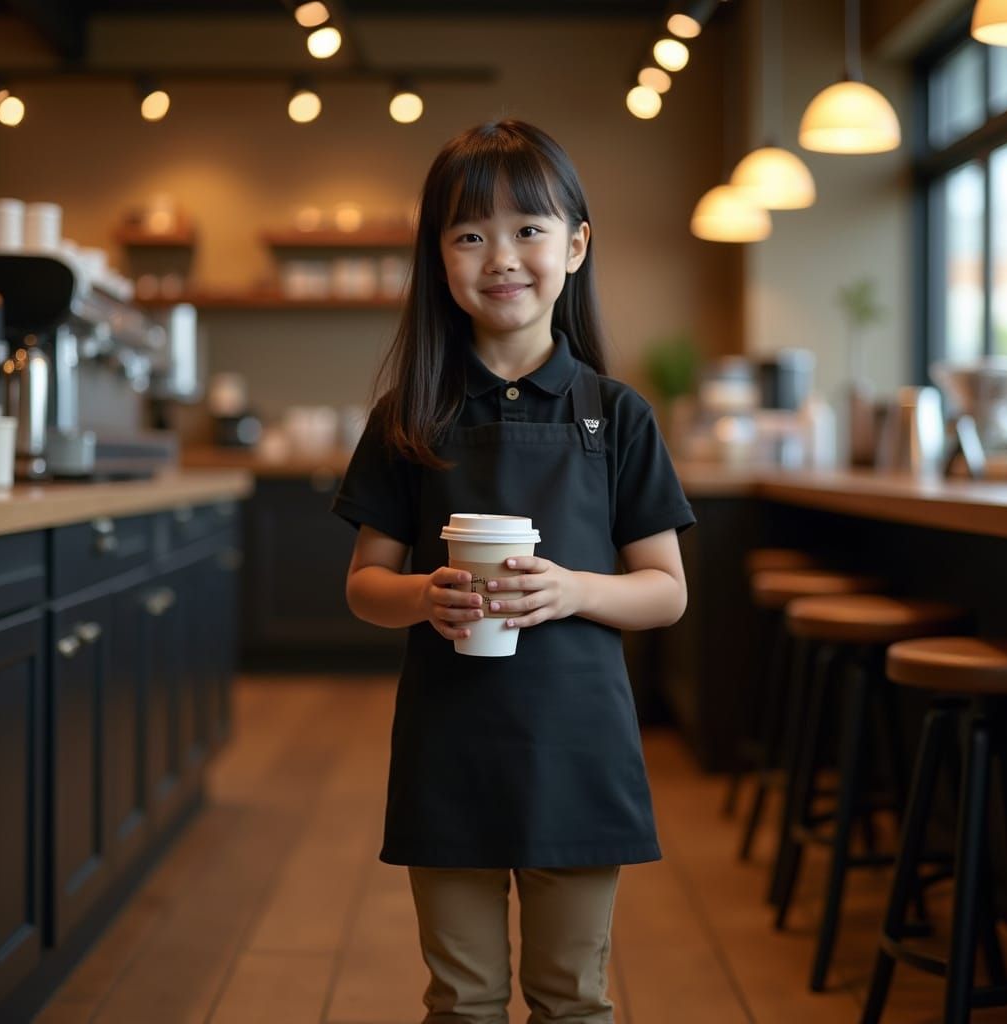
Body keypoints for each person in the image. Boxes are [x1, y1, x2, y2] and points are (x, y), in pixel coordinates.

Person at [333, 119, 696, 1024]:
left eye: (529, 229)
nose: (502, 256)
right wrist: (422, 595)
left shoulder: (616, 415)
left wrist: (573, 588)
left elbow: (666, 589)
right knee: (461, 1000)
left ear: (575, 245)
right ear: (439, 257)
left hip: (578, 745)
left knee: (572, 998)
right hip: (448, 745)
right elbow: (365, 584)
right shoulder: (408, 415)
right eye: (469, 234)